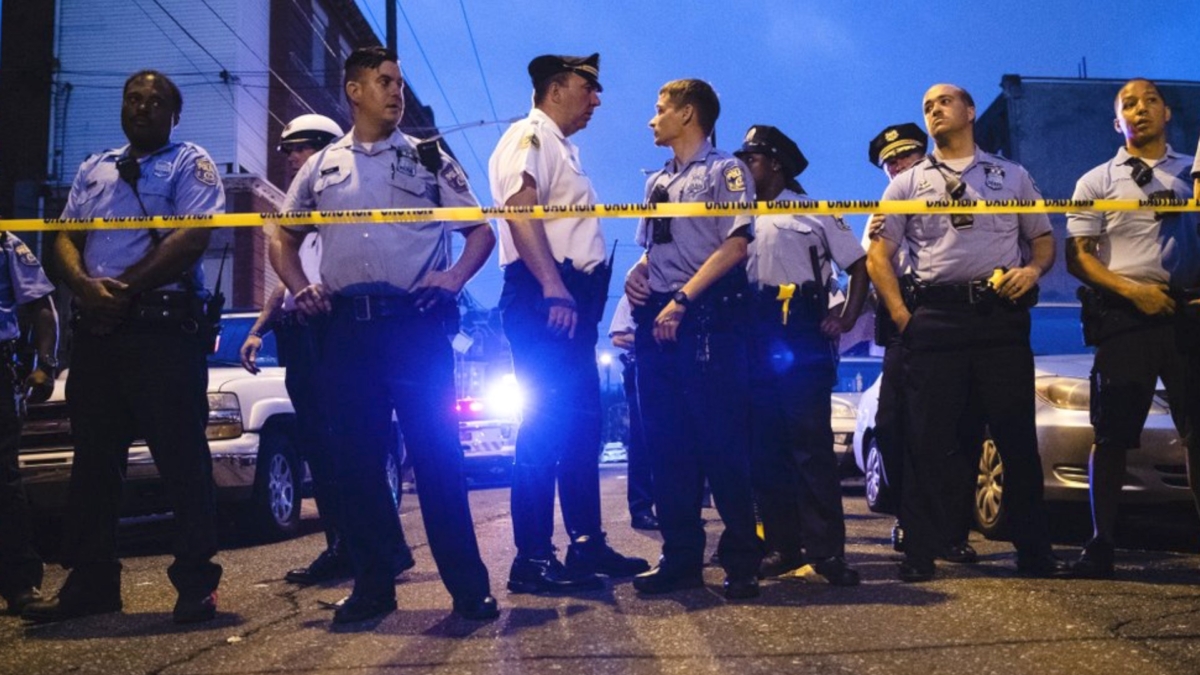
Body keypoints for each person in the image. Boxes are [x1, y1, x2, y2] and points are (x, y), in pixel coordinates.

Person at [275, 46, 498, 623]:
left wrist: (451, 279)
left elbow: (479, 232)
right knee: (357, 464)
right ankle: (373, 588)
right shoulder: (320, 167)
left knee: (437, 457)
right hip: (347, 331)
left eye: (399, 83)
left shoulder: (428, 158)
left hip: (414, 328)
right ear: (354, 91)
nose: (396, 92)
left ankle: (468, 589)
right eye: (384, 82)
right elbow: (282, 238)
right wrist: (300, 287)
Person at [25, 70, 225, 624]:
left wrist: (124, 288)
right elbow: (64, 235)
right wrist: (86, 288)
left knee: (182, 460)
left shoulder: (190, 162)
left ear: (173, 114)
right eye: (133, 99)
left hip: (161, 333)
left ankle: (195, 585)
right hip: (99, 334)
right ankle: (90, 584)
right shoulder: (94, 168)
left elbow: (193, 235)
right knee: (93, 464)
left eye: (155, 101)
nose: (141, 108)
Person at [866, 83, 1069, 582]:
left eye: (943, 102)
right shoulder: (906, 184)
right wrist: (900, 315)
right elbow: (878, 256)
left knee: (1015, 439)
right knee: (926, 441)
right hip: (936, 319)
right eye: (927, 107)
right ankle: (921, 551)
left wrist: (1033, 271)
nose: (934, 110)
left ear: (970, 111)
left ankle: (1035, 552)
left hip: (1000, 318)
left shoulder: (1012, 175)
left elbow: (1042, 240)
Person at [488, 52, 647, 594]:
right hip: (544, 295)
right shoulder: (528, 135)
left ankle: (585, 547)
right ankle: (531, 559)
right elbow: (518, 207)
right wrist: (554, 286)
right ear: (555, 89)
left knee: (581, 430)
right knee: (545, 431)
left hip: (568, 301)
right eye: (588, 88)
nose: (597, 100)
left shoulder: (561, 146)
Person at [240, 114, 416, 586]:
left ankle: (376, 547)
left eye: (298, 149)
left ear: (321, 148)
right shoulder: (301, 205)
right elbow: (285, 278)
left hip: (330, 330)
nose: (291, 158)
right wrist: (259, 329)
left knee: (345, 448)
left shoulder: (336, 200)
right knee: (321, 450)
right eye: (288, 151)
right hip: (300, 336)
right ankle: (344, 545)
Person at [624, 78, 762, 599]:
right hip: (658, 322)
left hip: (707, 318)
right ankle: (680, 558)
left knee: (722, 445)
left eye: (660, 110)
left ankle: (743, 560)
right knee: (667, 447)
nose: (651, 119)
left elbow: (736, 244)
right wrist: (638, 274)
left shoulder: (725, 170)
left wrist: (682, 300)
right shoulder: (657, 181)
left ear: (688, 115)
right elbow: (652, 248)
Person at [1065, 78, 1200, 578]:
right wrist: (1131, 291)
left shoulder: (1195, 173)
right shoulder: (1095, 181)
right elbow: (1077, 256)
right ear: (1116, 122)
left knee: (1198, 432)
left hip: (1188, 313)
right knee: (1113, 434)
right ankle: (1101, 544)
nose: (1139, 110)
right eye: (1128, 105)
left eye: (1149, 102)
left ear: (1167, 113)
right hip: (1126, 314)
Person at [735, 125, 866, 584]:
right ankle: (782, 547)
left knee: (810, 449)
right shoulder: (735, 212)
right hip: (752, 328)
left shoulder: (815, 210)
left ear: (775, 163)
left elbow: (859, 265)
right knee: (764, 450)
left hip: (800, 329)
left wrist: (846, 319)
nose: (743, 167)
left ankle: (828, 552)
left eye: (751, 159)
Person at [865, 122, 979, 564]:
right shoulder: (883, 211)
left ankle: (952, 531)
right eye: (890, 163)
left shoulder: (950, 195)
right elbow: (872, 272)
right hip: (903, 332)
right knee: (892, 428)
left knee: (957, 430)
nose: (898, 165)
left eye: (906, 156)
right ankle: (908, 520)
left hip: (947, 320)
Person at [0, 233, 58, 616]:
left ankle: (20, 584)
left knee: (3, 480)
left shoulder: (4, 243)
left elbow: (42, 305)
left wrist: (45, 364)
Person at [608, 295, 657, 531]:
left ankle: (678, 509)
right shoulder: (635, 289)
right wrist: (650, 338)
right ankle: (641, 509)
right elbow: (618, 336)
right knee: (643, 440)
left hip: (676, 366)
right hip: (642, 367)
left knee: (678, 443)